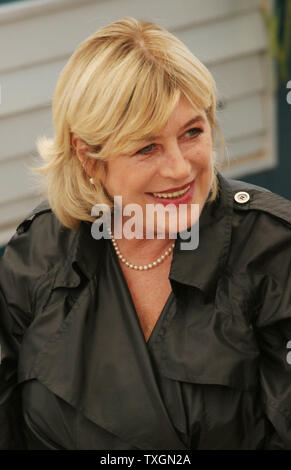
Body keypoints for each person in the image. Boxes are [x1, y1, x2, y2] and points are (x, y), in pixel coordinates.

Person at [0, 17, 291, 451]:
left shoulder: (272, 250)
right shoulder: (39, 252)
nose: (179, 168)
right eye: (146, 147)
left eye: (192, 132)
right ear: (88, 156)